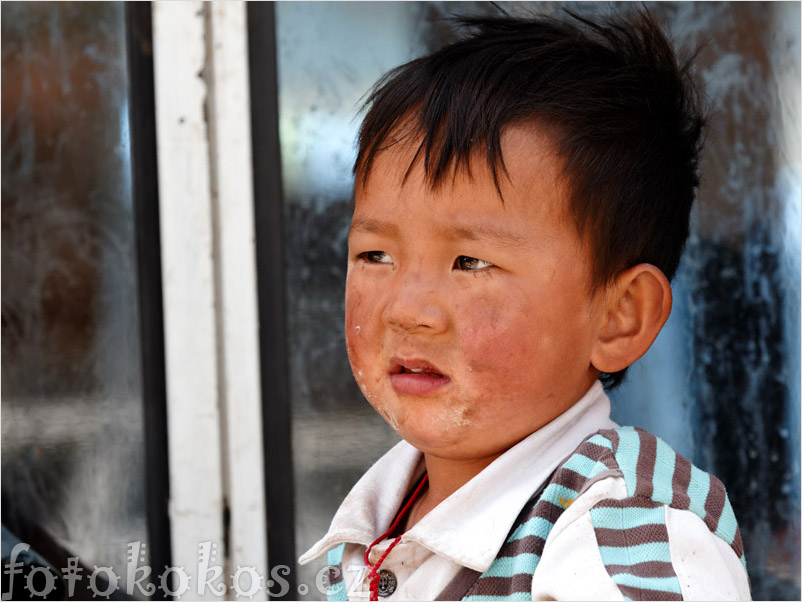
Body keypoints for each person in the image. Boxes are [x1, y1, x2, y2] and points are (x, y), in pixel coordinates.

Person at [300, 8, 751, 601]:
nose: (405, 310)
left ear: (620, 317)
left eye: (471, 262)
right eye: (376, 255)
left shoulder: (622, 536)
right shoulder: (381, 518)